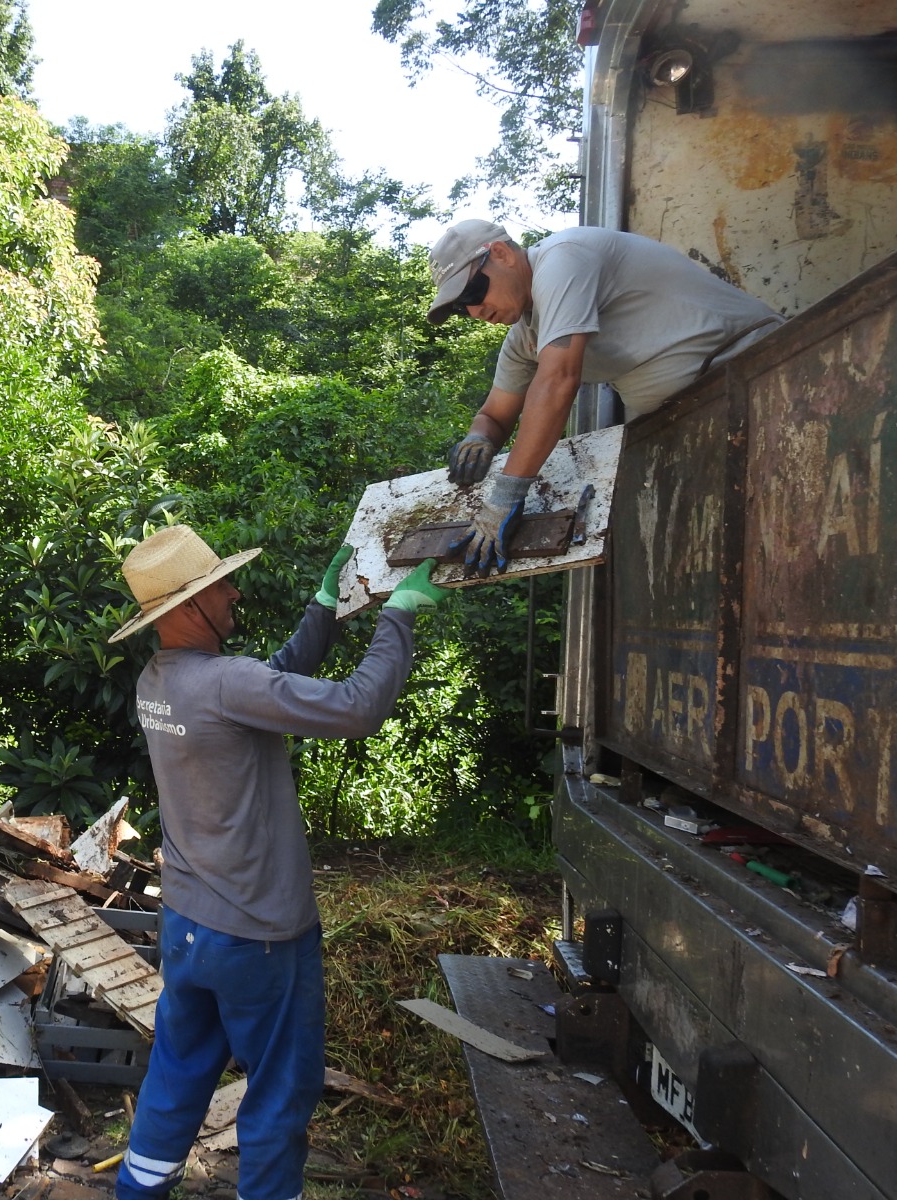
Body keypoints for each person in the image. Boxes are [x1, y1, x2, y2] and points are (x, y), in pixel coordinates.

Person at [106, 524, 447, 1200]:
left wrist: (324, 611)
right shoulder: (226, 682)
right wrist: (399, 615)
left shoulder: (158, 680)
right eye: (220, 586)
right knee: (278, 1094)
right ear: (188, 607)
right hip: (259, 935)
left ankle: (136, 1191)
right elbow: (356, 708)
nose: (234, 593)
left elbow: (267, 685)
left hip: (188, 926)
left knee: (176, 1074)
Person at [426, 219, 782, 573]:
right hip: (695, 421)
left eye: (472, 293)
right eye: (461, 308)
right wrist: (479, 439)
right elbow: (494, 415)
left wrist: (506, 496)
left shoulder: (563, 258)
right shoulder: (524, 339)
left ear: (501, 254)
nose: (474, 311)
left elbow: (558, 380)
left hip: (760, 373)